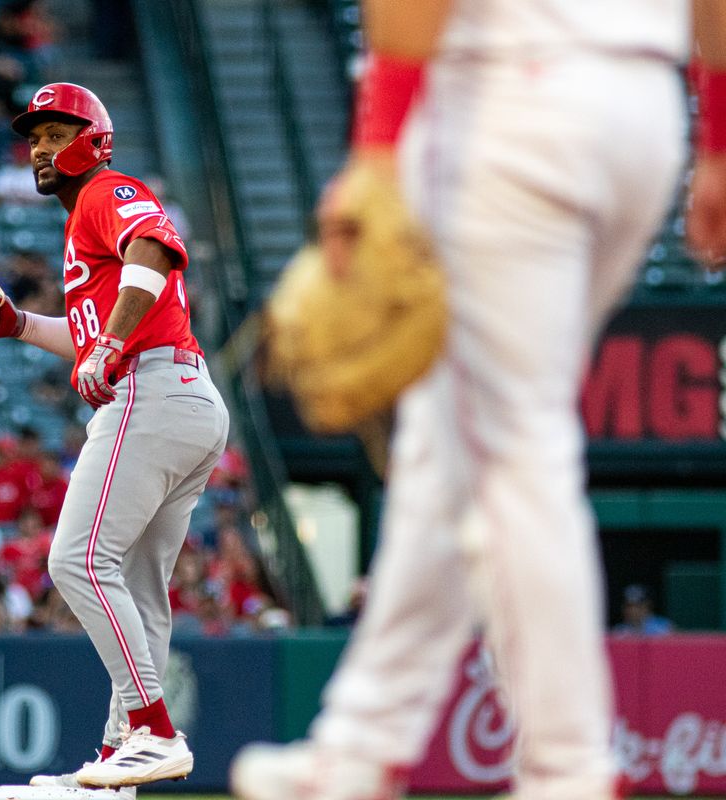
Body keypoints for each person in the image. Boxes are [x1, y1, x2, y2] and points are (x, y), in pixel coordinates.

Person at [230, 3, 722, 800]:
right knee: (444, 447)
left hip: (510, 102)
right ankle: (360, 745)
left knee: (514, 450)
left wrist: (377, 152)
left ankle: (568, 764)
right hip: (644, 110)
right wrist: (721, 136)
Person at [0, 83, 229, 790]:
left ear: (95, 140)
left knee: (79, 560)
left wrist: (111, 344)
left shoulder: (102, 191)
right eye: (35, 137)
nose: (42, 148)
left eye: (58, 132)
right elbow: (96, 325)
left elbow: (154, 247)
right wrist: (24, 326)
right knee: (140, 589)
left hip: (151, 388)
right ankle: (125, 752)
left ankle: (150, 729)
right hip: (183, 395)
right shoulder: (83, 216)